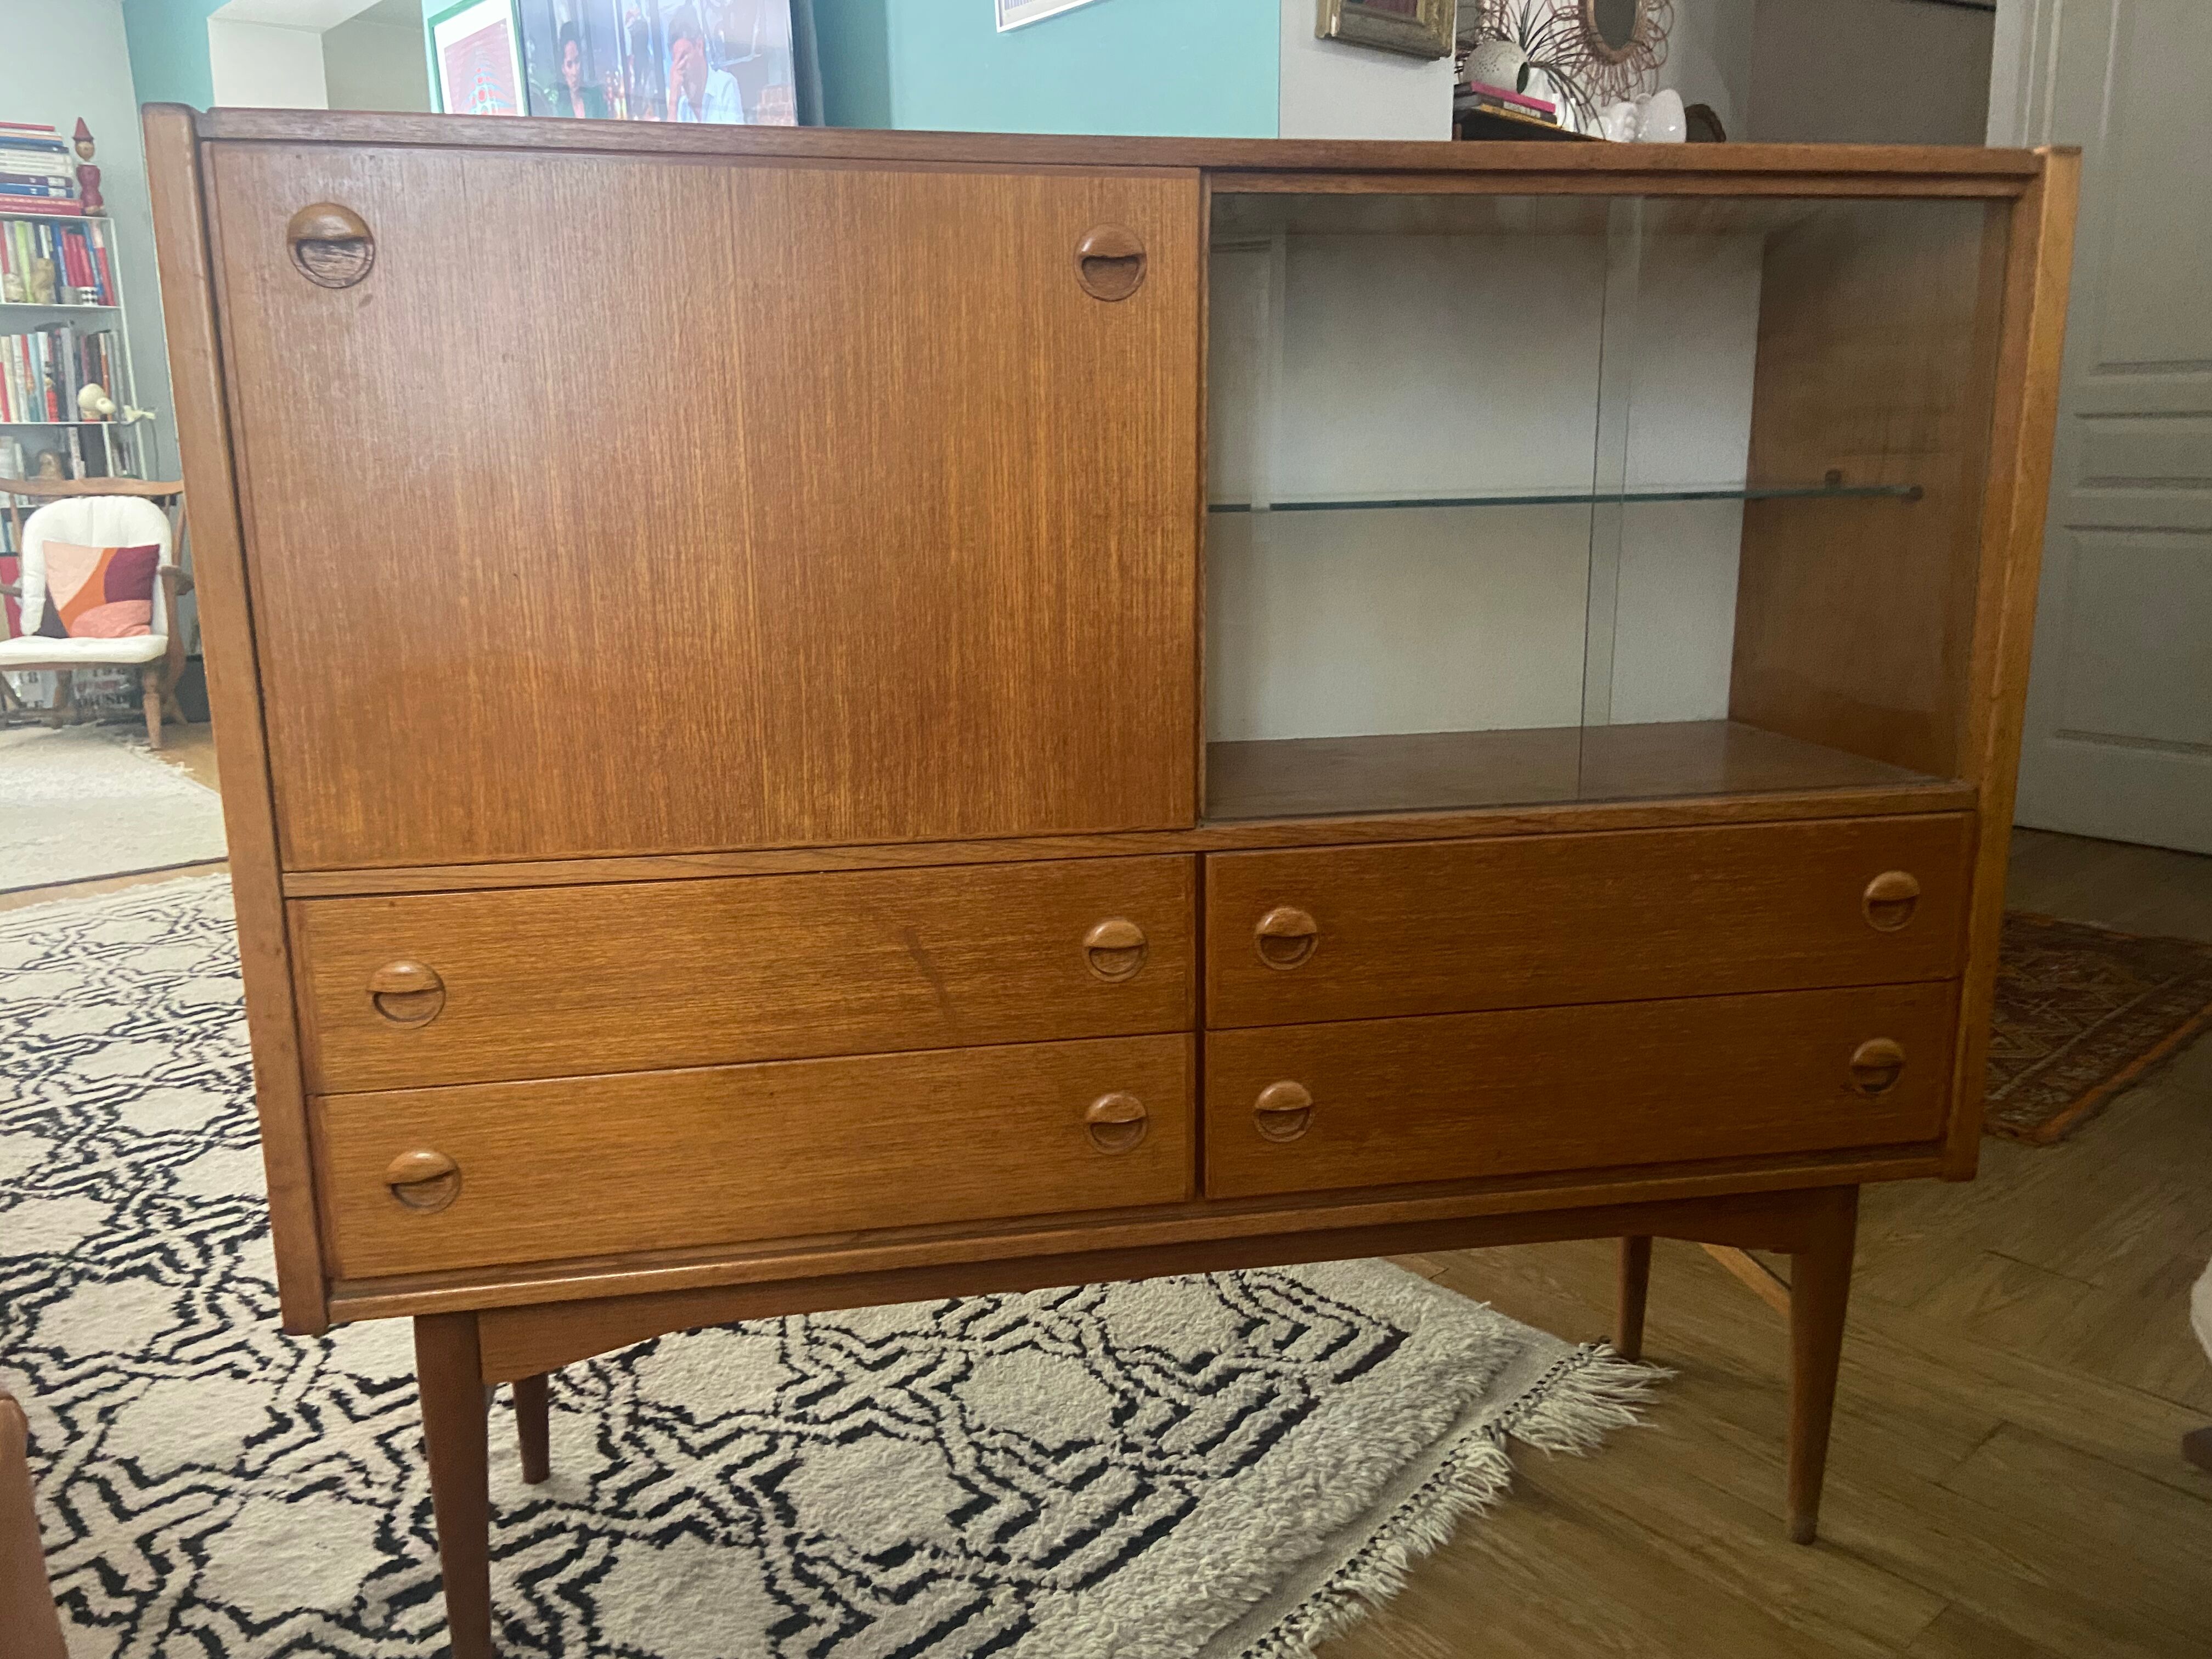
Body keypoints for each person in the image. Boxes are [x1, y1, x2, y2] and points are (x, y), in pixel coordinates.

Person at [666, 3, 744, 124]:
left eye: (683, 57)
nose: (680, 67)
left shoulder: (725, 86)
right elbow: (669, 142)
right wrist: (673, 102)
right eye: (675, 61)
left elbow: (734, 140)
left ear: (699, 46)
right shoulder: (682, 106)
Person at [548, 22, 608, 119]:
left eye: (577, 61)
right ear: (563, 68)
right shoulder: (559, 109)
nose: (575, 71)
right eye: (569, 64)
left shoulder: (596, 97)